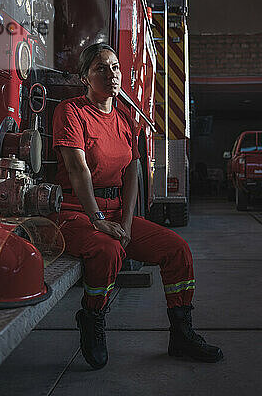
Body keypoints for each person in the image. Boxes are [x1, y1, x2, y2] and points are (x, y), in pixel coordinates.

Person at [50, 43, 223, 369]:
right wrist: (99, 220)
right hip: (75, 211)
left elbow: (132, 172)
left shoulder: (125, 118)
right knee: (108, 250)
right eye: (101, 68)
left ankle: (181, 334)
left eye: (115, 67)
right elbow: (78, 169)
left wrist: (127, 223)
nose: (111, 74)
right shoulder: (70, 111)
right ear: (84, 76)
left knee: (177, 250)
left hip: (117, 209)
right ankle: (93, 316)